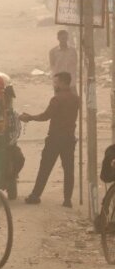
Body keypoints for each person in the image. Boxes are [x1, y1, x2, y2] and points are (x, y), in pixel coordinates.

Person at [19, 72, 79, 208]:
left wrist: (30, 117)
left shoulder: (57, 99)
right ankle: (67, 200)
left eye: (56, 82)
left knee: (45, 167)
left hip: (55, 138)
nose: (55, 85)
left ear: (63, 83)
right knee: (69, 169)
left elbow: (46, 116)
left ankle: (35, 195)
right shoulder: (76, 99)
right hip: (69, 138)